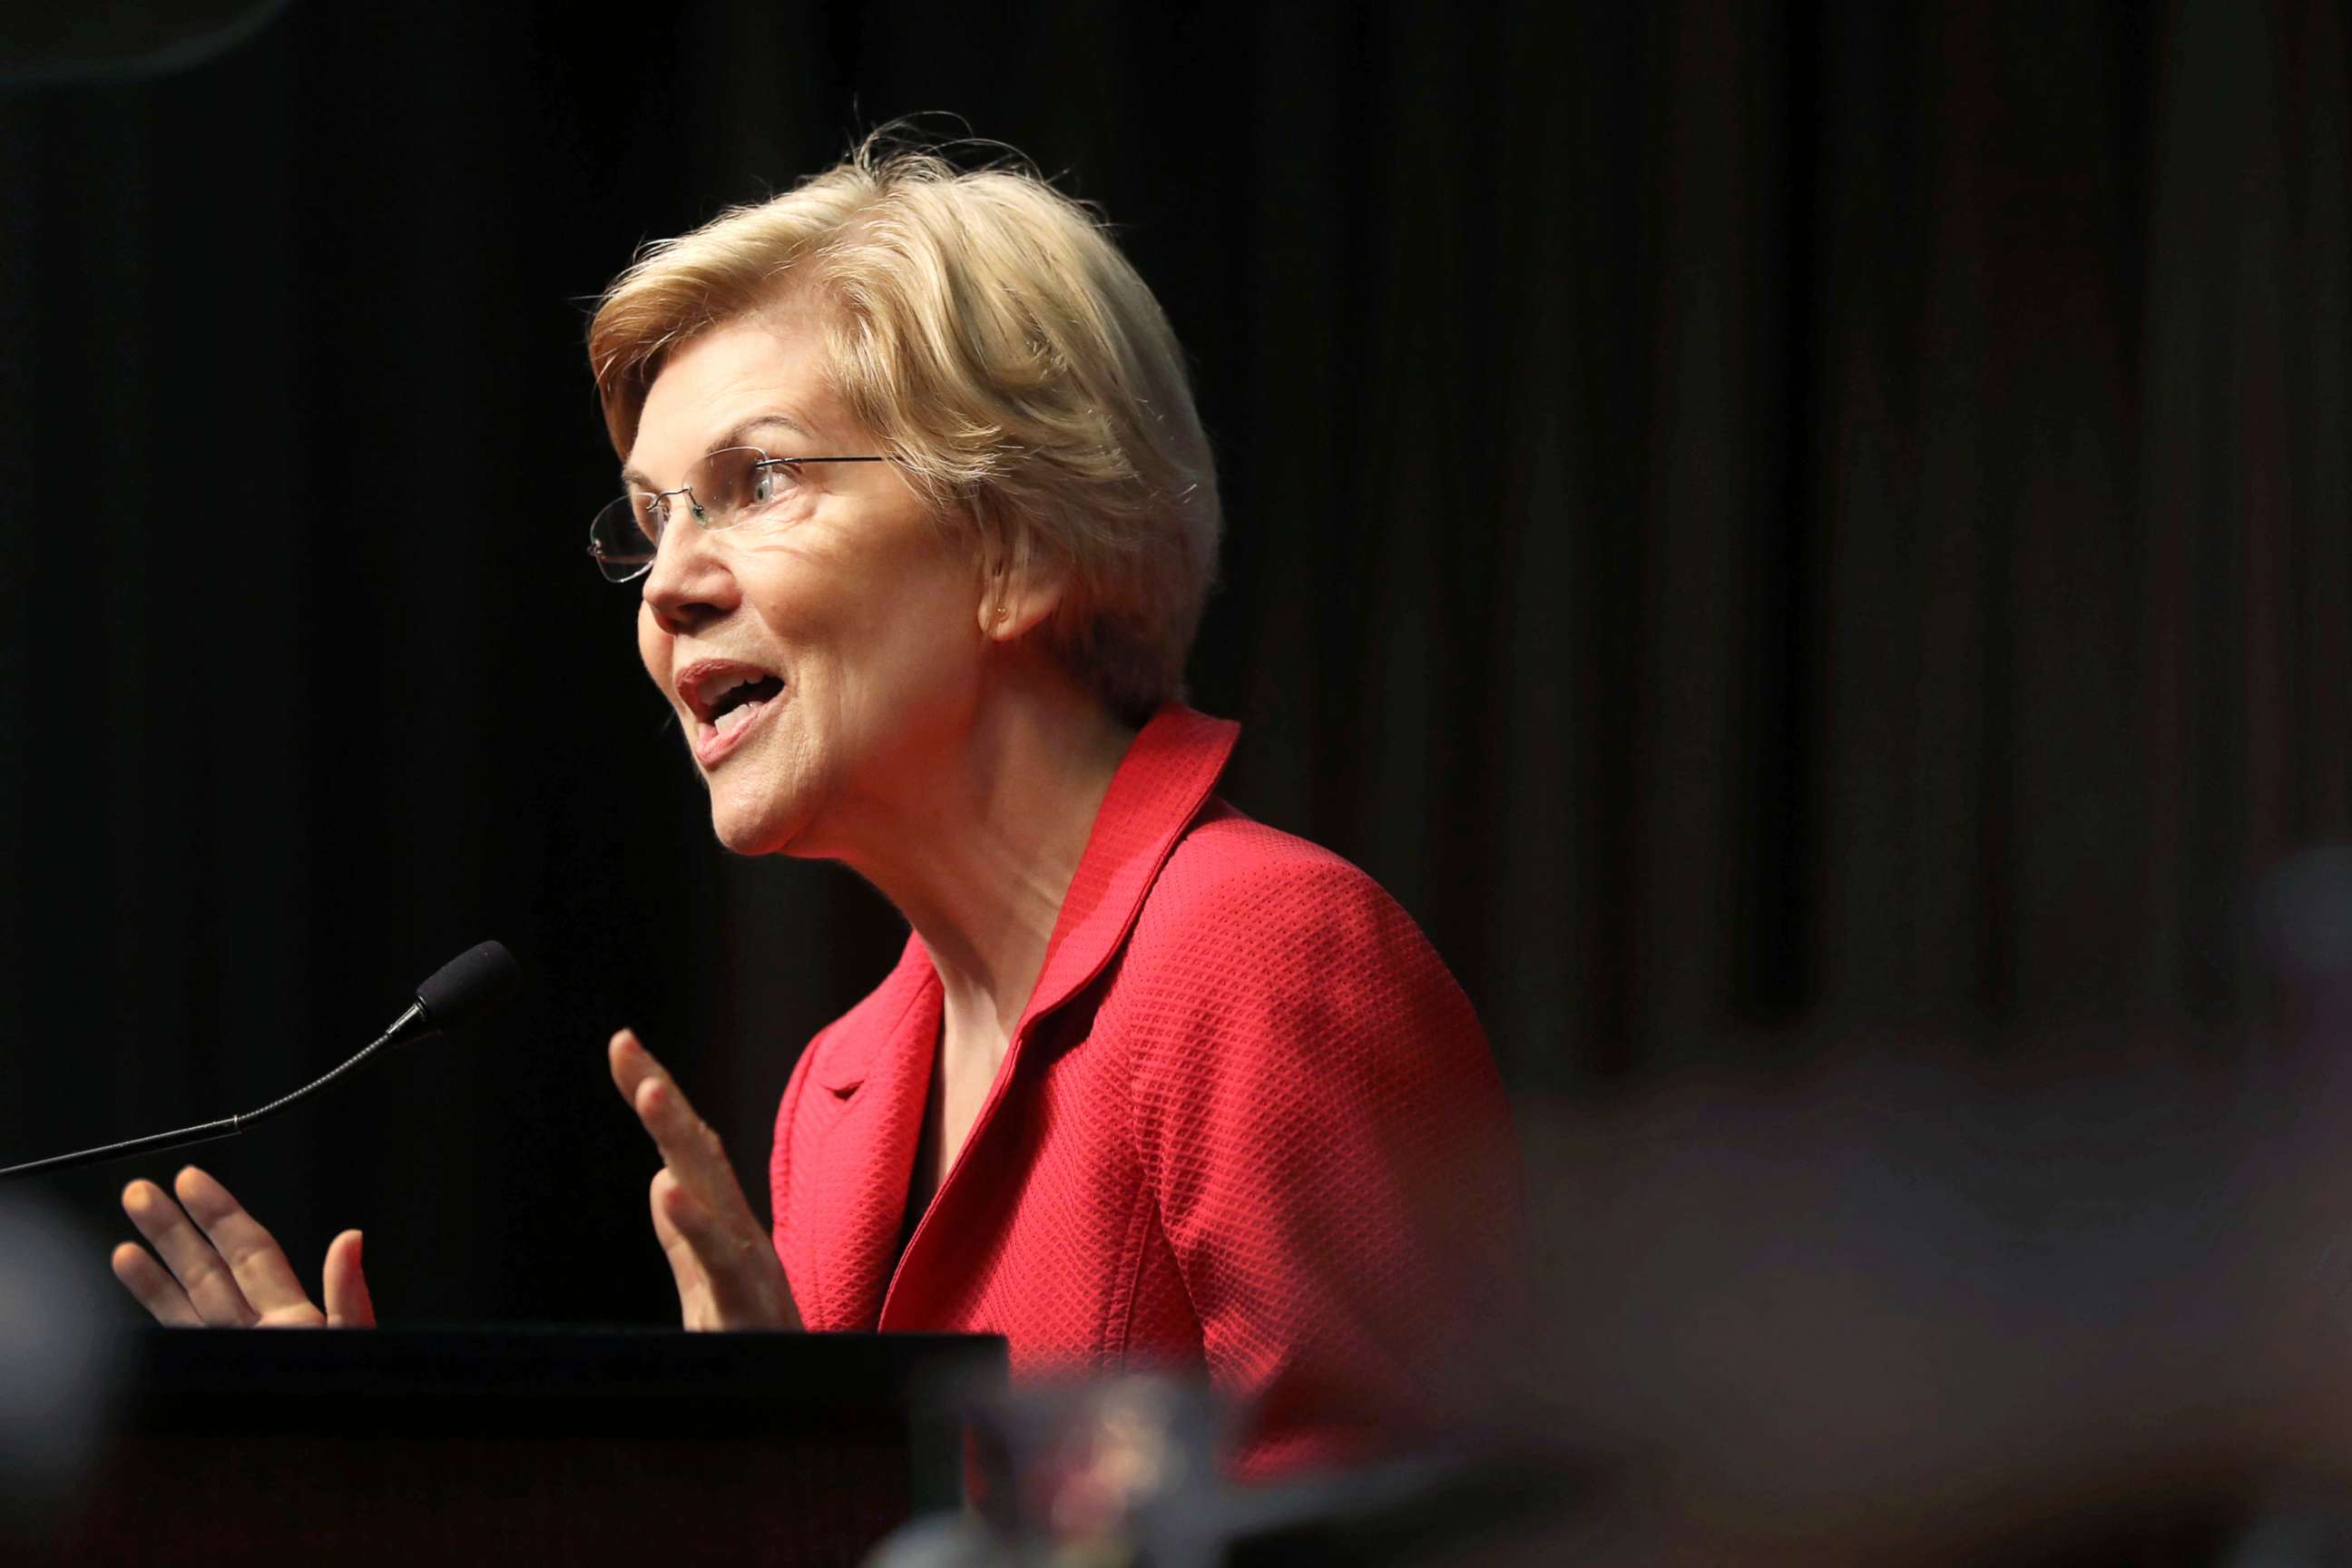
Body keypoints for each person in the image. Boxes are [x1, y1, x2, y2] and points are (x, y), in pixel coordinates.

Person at [108, 132, 1517, 1478]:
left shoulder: (1264, 957)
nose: (667, 589)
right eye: (652, 522)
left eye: (755, 483)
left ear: (1018, 543)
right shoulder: (836, 1100)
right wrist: (387, 1504)